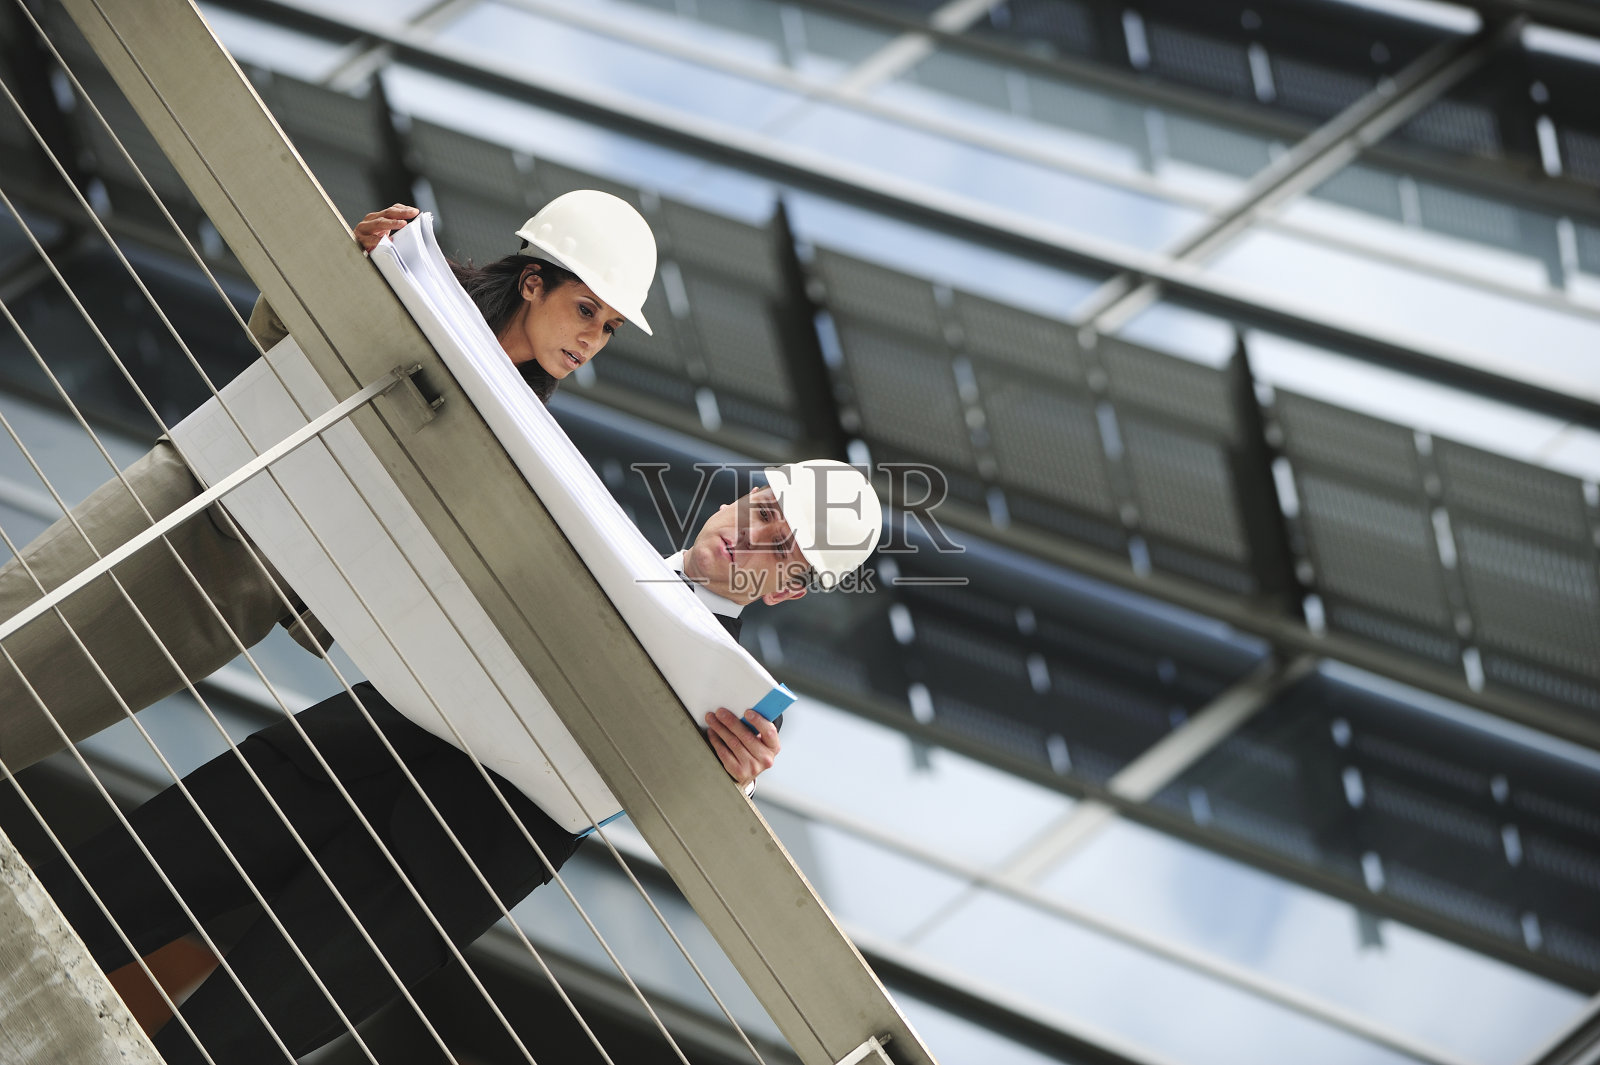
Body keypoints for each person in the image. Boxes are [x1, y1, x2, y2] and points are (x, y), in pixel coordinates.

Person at [34, 457, 883, 1065]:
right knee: (89, 896)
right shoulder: (567, 522)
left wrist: (717, 785)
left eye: (783, 553)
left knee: (222, 1045)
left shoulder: (728, 718)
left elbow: (671, 820)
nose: (755, 538)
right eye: (765, 511)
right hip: (343, 757)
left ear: (789, 592)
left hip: (438, 875)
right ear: (743, 497)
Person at [0, 192, 653, 773]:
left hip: (256, 584)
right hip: (203, 487)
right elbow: (278, 327)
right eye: (587, 310)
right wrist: (346, 263)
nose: (591, 340)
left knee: (67, 702)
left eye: (609, 329)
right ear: (534, 282)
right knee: (30, 605)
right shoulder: (415, 278)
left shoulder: (524, 441)